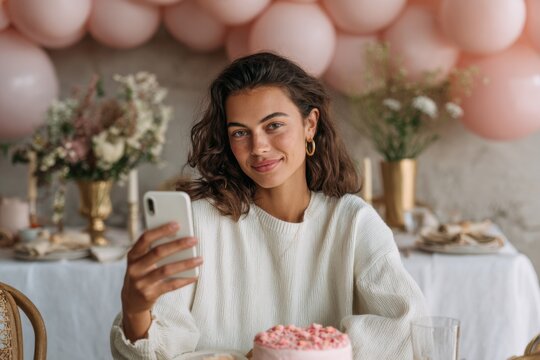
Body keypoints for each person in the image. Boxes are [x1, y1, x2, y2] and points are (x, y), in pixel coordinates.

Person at [110, 52, 427, 359]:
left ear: (310, 124)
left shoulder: (352, 222)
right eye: (240, 132)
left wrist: (285, 351)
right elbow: (161, 352)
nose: (258, 147)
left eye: (273, 125)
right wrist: (135, 311)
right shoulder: (199, 222)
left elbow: (409, 330)